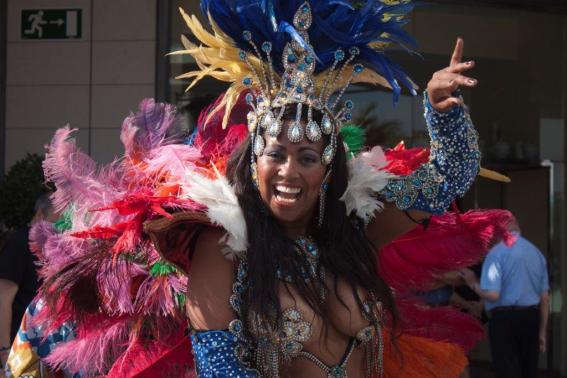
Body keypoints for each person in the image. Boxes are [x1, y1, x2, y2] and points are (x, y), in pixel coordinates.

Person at [24, 1, 515, 377]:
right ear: (252, 163)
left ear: (329, 169)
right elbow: (220, 366)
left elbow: (449, 178)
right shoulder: (223, 246)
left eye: (306, 157)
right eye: (274, 155)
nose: (288, 171)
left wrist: (442, 113)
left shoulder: (356, 226)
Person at [460, 223, 550, 378]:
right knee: (529, 371)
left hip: (505, 321)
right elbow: (545, 298)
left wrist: (472, 282)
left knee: (507, 370)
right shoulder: (536, 253)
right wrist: (542, 332)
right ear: (519, 230)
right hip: (531, 319)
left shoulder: (496, 253)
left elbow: (493, 295)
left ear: (498, 233)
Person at [0, 194, 54, 371]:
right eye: (57, 220)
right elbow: (3, 299)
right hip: (19, 348)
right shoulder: (20, 243)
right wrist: (4, 349)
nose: (60, 228)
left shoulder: (48, 246)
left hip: (40, 347)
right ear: (40, 214)